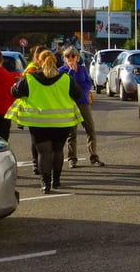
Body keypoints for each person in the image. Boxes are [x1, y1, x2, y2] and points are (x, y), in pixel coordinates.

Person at [6, 49, 83, 193]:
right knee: (58, 150)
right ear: (55, 62)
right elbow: (78, 94)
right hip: (62, 122)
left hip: (39, 123)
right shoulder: (65, 78)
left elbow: (15, 92)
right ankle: (57, 181)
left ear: (39, 62)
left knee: (43, 153)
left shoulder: (30, 78)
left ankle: (45, 184)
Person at [59, 46, 105, 168]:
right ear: (64, 58)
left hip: (83, 102)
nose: (70, 58)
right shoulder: (61, 71)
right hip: (69, 104)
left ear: (77, 57)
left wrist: (81, 92)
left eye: (73, 56)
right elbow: (65, 85)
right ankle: (72, 158)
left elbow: (88, 83)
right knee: (71, 133)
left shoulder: (83, 69)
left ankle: (94, 156)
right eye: (68, 56)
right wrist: (72, 71)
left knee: (90, 129)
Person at [24, 45, 46, 176]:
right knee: (35, 139)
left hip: (43, 109)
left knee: (40, 139)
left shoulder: (42, 68)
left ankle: (40, 163)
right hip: (34, 109)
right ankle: (35, 163)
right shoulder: (32, 69)